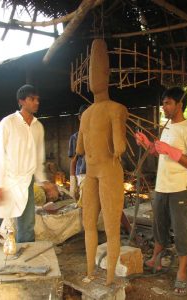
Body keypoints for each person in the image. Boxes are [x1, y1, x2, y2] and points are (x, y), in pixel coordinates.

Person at [135, 87, 187, 296]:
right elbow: (160, 152)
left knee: (181, 231)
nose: (163, 107)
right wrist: (149, 145)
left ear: (179, 105)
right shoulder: (166, 127)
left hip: (178, 188)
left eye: (168, 103)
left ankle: (182, 272)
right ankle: (157, 258)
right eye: (163, 103)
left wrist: (175, 153)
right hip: (162, 186)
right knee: (159, 225)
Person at [76, 39, 128, 285]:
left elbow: (119, 147)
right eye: (91, 72)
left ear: (107, 74)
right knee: (89, 224)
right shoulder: (88, 114)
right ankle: (90, 271)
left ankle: (107, 277)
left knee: (110, 225)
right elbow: (80, 149)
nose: (93, 77)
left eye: (97, 70)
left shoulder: (114, 109)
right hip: (92, 172)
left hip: (107, 171)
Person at [0, 84, 58, 249]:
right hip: (6, 180)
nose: (36, 102)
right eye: (32, 99)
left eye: (37, 99)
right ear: (22, 101)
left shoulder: (38, 127)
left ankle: (25, 259)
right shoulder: (8, 123)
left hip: (26, 181)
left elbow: (38, 159)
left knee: (27, 225)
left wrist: (43, 181)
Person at [68, 104, 88, 202]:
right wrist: (73, 183)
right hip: (83, 174)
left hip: (98, 174)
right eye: (85, 116)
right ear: (80, 117)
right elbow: (73, 161)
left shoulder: (98, 136)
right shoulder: (75, 138)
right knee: (85, 202)